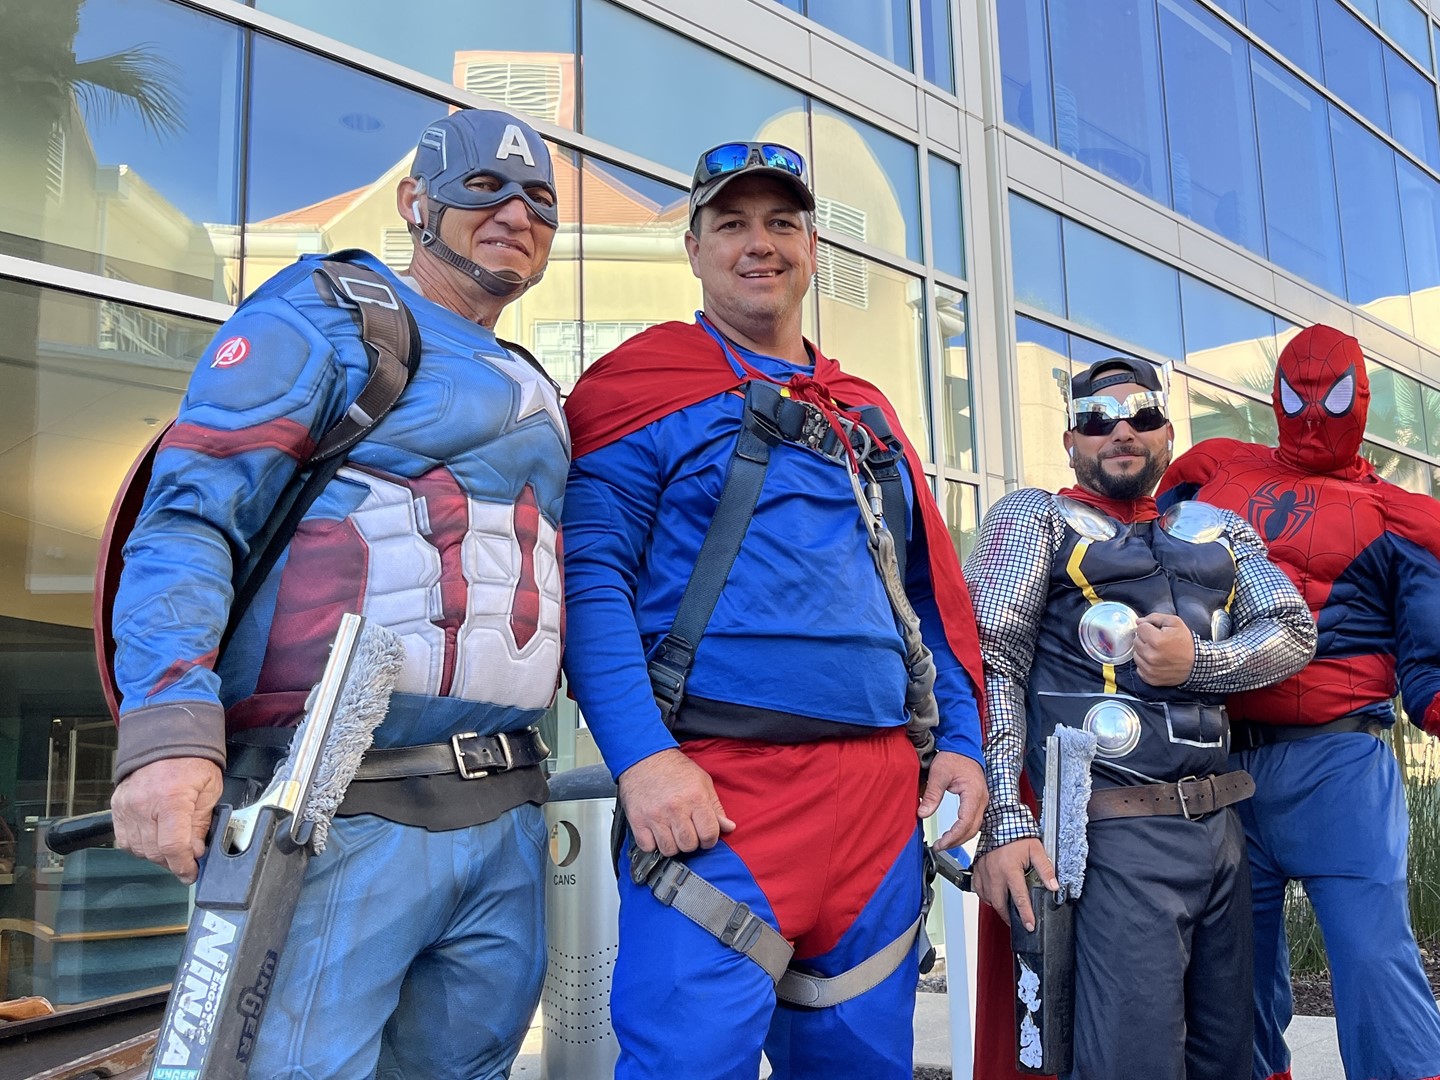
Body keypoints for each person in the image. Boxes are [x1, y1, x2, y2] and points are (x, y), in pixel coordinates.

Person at [107, 108, 568, 1076]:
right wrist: (168, 725)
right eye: (483, 186)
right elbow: (190, 519)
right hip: (330, 805)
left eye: (539, 198)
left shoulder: (531, 379)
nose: (514, 212)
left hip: (504, 813)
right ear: (416, 203)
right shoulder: (329, 314)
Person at [560, 140, 988, 1079]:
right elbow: (588, 588)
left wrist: (962, 739)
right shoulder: (635, 390)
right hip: (718, 795)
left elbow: (927, 597)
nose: (760, 243)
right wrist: (642, 758)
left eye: (782, 222)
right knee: (686, 1064)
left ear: (812, 248)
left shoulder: (865, 410)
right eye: (733, 224)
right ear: (695, 248)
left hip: (879, 804)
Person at [1158, 323, 1440, 1080]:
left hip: (1342, 760)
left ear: (1360, 398)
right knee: (1235, 981)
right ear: (1273, 393)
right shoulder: (1211, 473)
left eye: (1328, 396)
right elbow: (1139, 565)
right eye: (1296, 394)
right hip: (1224, 761)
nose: (1311, 413)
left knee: (1373, 960)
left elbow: (1434, 657)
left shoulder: (1411, 519)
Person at [965, 356, 1317, 1079]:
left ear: (1167, 433)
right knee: (1132, 1061)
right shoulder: (1033, 517)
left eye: (1142, 416)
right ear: (1070, 440)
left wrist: (1201, 665)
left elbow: (1293, 630)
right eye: (1098, 419)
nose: (1121, 430)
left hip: (1220, 829)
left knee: (1228, 1060)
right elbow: (986, 661)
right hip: (1108, 835)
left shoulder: (1220, 529)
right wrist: (1007, 818)